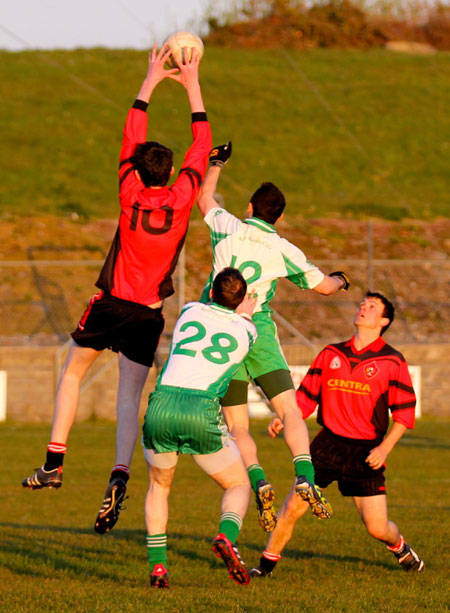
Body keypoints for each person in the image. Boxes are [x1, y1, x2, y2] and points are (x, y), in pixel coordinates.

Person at [22, 43, 212, 535]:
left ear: (138, 169)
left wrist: (151, 78)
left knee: (71, 375)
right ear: (169, 173)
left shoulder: (129, 190)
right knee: (128, 398)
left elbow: (131, 135)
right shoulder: (184, 195)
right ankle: (120, 473)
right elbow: (202, 143)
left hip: (109, 305)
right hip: (147, 313)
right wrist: (192, 84)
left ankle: (54, 463)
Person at [197, 142, 350, 533]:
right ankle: (304, 477)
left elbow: (204, 198)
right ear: (278, 217)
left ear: (249, 208)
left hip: (221, 329)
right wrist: (341, 279)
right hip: (258, 330)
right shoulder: (283, 249)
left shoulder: (227, 226)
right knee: (290, 411)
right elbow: (324, 288)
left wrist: (217, 162)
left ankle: (258, 477)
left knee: (239, 426)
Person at [250, 291, 425, 577]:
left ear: (384, 320)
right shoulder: (331, 354)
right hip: (327, 445)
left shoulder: (392, 361)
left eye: (371, 307)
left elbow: (405, 414)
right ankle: (265, 566)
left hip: (366, 451)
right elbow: (306, 396)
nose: (362, 308)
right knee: (293, 506)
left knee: (377, 528)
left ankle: (401, 548)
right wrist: (285, 417)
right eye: (361, 304)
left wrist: (384, 450)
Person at [143, 267, 257, 588]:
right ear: (241, 301)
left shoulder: (190, 311)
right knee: (237, 484)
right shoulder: (247, 332)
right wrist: (246, 312)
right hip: (200, 409)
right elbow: (243, 324)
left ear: (211, 292)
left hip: (163, 404)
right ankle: (227, 535)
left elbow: (209, 301)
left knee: (159, 487)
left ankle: (158, 568)